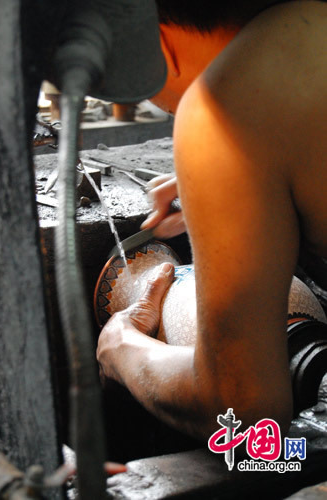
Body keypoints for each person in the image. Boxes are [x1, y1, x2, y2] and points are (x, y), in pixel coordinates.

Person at [97, 0, 327, 442]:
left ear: (157, 48)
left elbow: (242, 413)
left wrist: (123, 351)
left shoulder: (221, 104)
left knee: (269, 459)